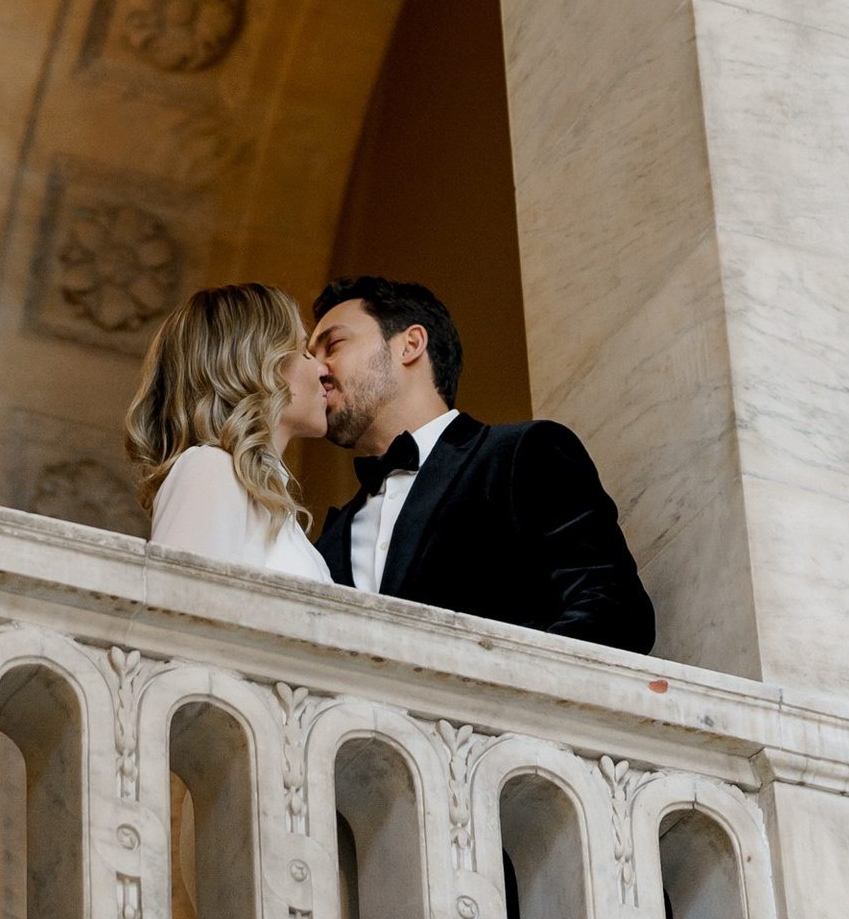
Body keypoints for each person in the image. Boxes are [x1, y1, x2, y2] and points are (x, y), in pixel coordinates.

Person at [309, 272, 653, 649]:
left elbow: (615, 610)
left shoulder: (526, 453)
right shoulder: (328, 541)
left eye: (333, 345)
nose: (318, 369)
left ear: (410, 344)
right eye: (311, 357)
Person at [127, 281, 334, 580]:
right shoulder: (210, 467)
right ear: (259, 362)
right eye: (304, 352)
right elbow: (177, 609)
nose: (323, 369)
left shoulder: (254, 491)